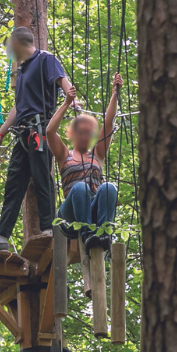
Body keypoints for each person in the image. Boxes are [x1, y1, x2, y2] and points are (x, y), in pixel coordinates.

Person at [0, 27, 76, 251]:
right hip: (23, 133)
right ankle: (1, 237)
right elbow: (18, 106)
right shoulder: (23, 70)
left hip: (40, 129)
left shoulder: (45, 59)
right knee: (14, 184)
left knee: (42, 179)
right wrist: (1, 132)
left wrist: (72, 100)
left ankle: (48, 228)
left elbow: (62, 81)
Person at [46, 72, 122, 249]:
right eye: (81, 132)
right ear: (72, 134)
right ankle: (88, 235)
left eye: (89, 132)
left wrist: (115, 94)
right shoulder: (65, 155)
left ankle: (104, 235)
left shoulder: (98, 154)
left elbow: (108, 122)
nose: (85, 136)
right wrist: (66, 103)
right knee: (81, 187)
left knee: (109, 187)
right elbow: (50, 132)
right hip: (71, 214)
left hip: (94, 209)